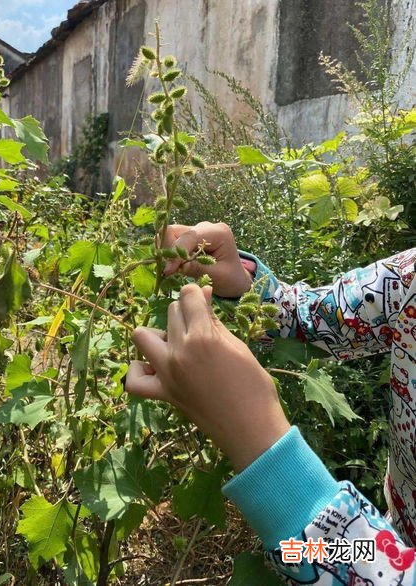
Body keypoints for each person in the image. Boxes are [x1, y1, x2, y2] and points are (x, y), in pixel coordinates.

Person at [125, 222, 416, 585]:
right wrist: (248, 285)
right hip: (377, 547)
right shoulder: (410, 279)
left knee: (298, 554)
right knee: (294, 554)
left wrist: (264, 451)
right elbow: (317, 317)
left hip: (380, 564)